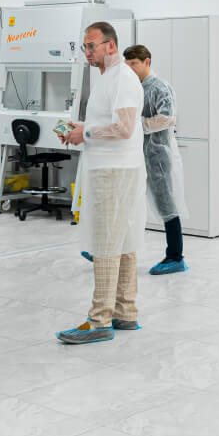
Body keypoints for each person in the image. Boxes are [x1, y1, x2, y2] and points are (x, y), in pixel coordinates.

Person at [57, 22, 146, 345]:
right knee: (122, 240)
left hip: (114, 170)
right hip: (112, 167)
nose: (87, 52)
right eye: (84, 47)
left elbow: (124, 128)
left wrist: (87, 133)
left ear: (111, 46)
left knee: (106, 243)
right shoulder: (108, 78)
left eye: (92, 46)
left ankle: (99, 321)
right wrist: (81, 128)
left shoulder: (122, 78)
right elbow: (109, 123)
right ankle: (125, 312)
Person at [122, 45, 188, 275]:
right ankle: (112, 250)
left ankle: (175, 257)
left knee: (166, 205)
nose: (130, 69)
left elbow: (167, 118)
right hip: (136, 155)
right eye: (127, 65)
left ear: (147, 62)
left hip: (157, 156)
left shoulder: (160, 87)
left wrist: (137, 124)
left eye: (134, 64)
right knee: (126, 201)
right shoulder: (135, 87)